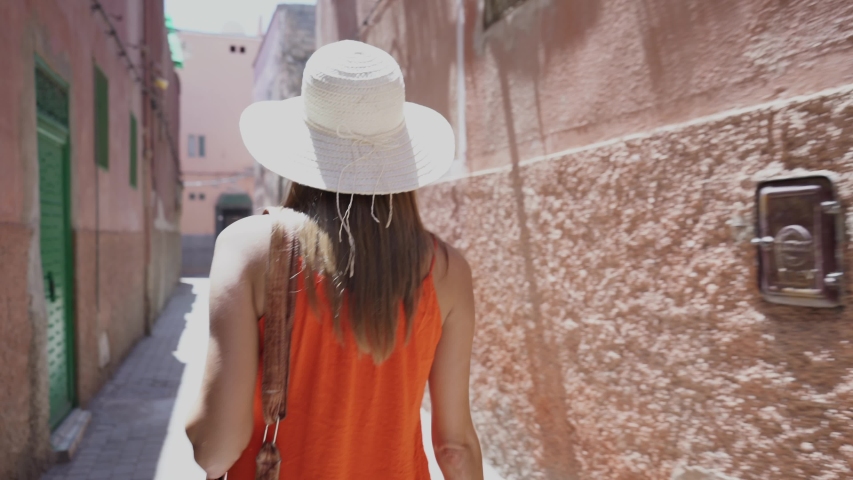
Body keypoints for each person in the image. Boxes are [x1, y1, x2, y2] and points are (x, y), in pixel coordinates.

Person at [185, 40, 484, 480]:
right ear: (398, 154)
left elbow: (215, 449)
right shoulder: (447, 270)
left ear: (303, 143)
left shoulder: (247, 249)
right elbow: (454, 446)